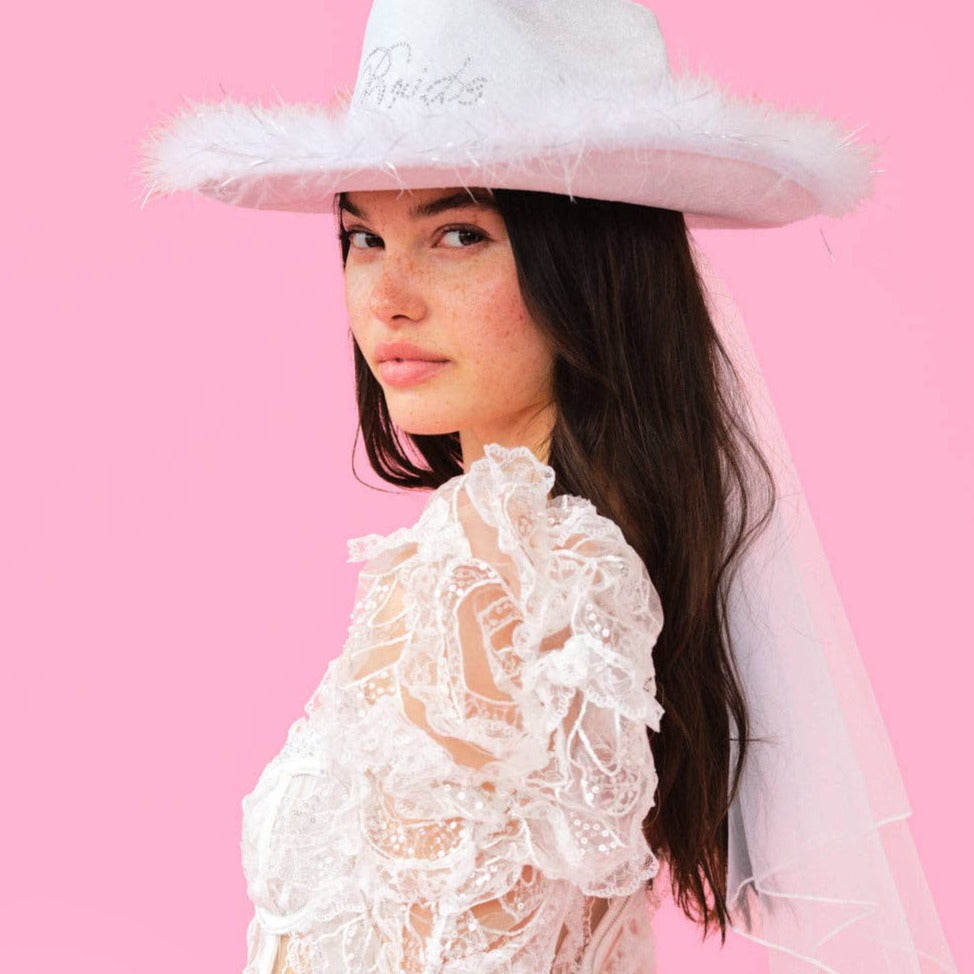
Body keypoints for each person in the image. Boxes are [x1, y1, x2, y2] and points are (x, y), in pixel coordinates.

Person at [138, 1, 958, 972]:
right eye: (362, 238)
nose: (387, 296)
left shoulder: (494, 566)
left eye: (458, 234)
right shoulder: (578, 553)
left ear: (589, 268)